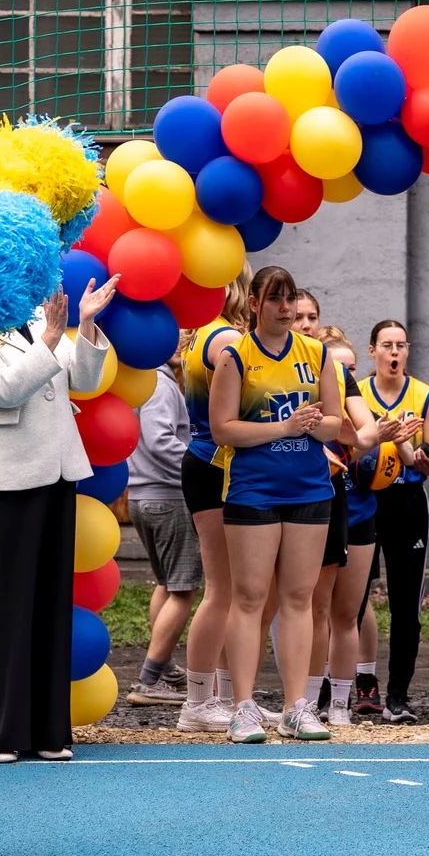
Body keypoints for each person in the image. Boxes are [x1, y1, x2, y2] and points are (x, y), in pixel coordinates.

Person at [0, 275, 118, 763]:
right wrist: (54, 337)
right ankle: (0, 732)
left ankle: (49, 730)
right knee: (7, 607)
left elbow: (88, 380)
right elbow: (4, 391)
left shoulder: (41, 318)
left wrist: (88, 324)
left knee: (51, 602)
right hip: (5, 482)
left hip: (56, 474)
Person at [209, 266, 342, 743]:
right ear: (255, 304)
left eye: (291, 299)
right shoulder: (235, 357)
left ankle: (295, 706)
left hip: (309, 489)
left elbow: (334, 423)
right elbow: (223, 428)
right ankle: (243, 707)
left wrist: (312, 424)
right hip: (253, 490)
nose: (286, 308)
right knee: (248, 597)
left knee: (299, 599)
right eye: (276, 299)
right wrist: (284, 428)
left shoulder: (318, 354)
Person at [174, 272, 251, 732]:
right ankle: (198, 701)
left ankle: (219, 694)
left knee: (233, 589)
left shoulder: (205, 334)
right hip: (215, 466)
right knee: (222, 589)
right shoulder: (224, 338)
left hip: (213, 465)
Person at [359, 319, 429, 722]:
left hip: (407, 501)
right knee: (351, 599)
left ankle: (398, 695)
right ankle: (339, 688)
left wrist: (424, 458)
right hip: (362, 498)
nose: (394, 353)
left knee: (405, 603)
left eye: (400, 346)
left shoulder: (427, 398)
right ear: (373, 350)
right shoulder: (356, 394)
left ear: (407, 351)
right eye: (386, 345)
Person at [123, 345, 201, 706]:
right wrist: (199, 466)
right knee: (184, 589)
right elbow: (158, 439)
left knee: (167, 584)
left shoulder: (145, 379)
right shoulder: (160, 382)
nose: (184, 343)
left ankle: (165, 671)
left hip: (142, 495)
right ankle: (149, 679)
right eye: (178, 335)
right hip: (168, 497)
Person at [317, 327, 382, 729]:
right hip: (313, 506)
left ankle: (341, 702)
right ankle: (307, 699)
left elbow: (368, 435)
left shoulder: (347, 395)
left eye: (351, 371)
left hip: (356, 513)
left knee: (347, 614)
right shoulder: (302, 388)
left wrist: (358, 437)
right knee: (312, 610)